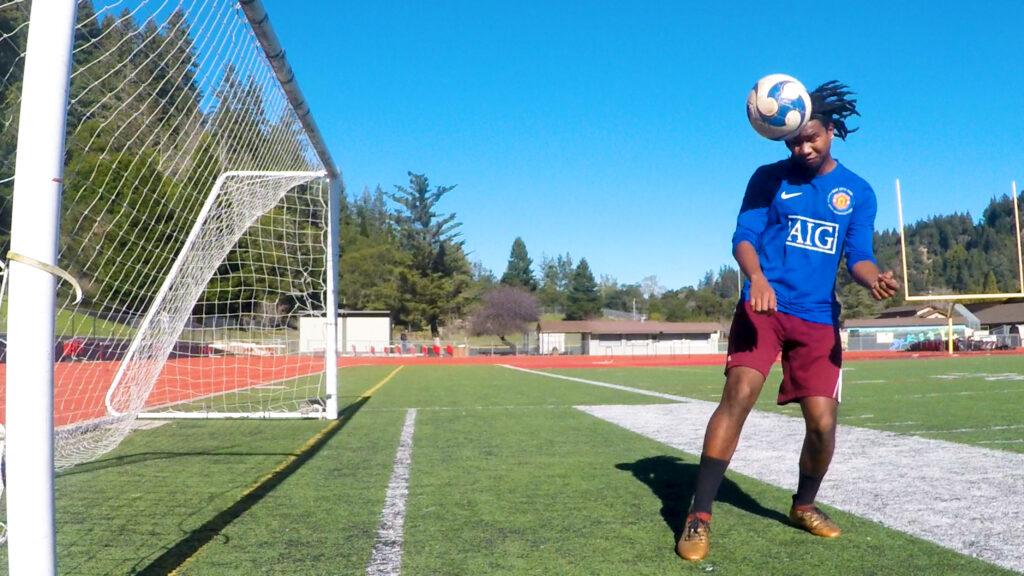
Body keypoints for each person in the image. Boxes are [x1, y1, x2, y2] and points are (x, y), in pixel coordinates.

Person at [676, 80, 899, 562]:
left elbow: (856, 255)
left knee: (822, 424)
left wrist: (873, 277)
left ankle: (804, 505)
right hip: (764, 309)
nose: (803, 146)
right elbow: (742, 236)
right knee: (737, 398)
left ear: (832, 130)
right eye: (794, 140)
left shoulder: (857, 192)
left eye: (811, 136)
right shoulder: (767, 178)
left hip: (817, 318)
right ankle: (699, 516)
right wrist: (755, 276)